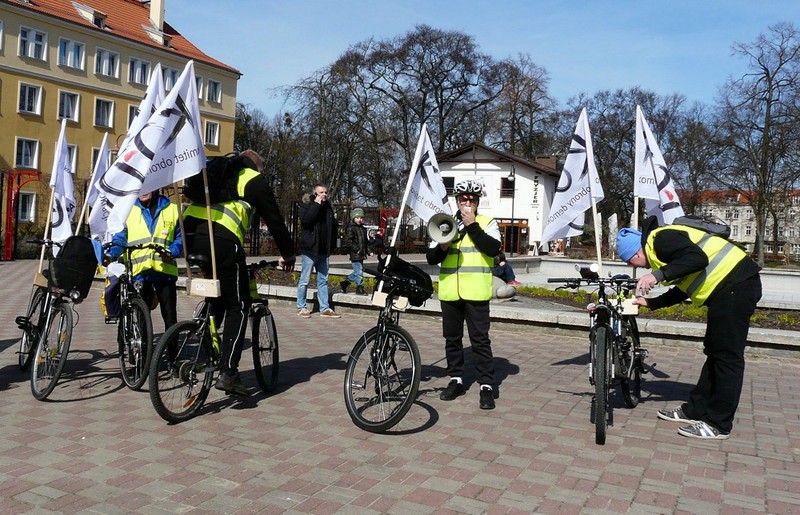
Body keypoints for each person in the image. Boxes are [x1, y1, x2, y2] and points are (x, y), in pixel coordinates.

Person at [617, 215, 762, 440]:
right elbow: (686, 284)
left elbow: (698, 259)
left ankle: (719, 424)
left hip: (736, 286)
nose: (631, 266)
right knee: (714, 352)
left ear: (636, 253)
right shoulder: (661, 249)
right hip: (729, 289)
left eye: (628, 261)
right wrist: (653, 303)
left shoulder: (661, 240)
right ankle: (695, 409)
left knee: (727, 358)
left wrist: (656, 276)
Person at [183, 150, 296, 396]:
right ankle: (229, 373)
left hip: (190, 235)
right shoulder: (252, 179)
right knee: (239, 304)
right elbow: (274, 219)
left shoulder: (218, 174)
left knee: (220, 293)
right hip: (221, 240)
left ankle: (205, 334)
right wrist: (288, 254)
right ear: (257, 166)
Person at [427, 179, 501, 410]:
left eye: (471, 199)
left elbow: (493, 248)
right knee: (452, 339)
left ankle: (486, 386)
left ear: (477, 201)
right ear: (457, 201)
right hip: (451, 292)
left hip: (476, 291)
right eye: (463, 199)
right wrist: (442, 246)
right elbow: (431, 258)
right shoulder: (445, 223)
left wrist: (472, 226)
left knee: (480, 341)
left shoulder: (487, 222)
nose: (467, 202)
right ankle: (456, 380)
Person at [107, 190, 181, 331]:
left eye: (148, 187)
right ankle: (144, 345)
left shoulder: (173, 209)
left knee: (170, 316)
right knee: (142, 317)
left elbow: (180, 237)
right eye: (141, 188)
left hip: (165, 271)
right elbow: (120, 238)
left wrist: (172, 251)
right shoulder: (129, 210)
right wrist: (112, 254)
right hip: (140, 272)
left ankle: (173, 346)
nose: (143, 191)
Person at [296, 182, 340, 318]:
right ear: (315, 194)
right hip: (310, 250)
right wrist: (316, 204)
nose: (324, 195)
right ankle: (301, 307)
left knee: (323, 280)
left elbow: (333, 227)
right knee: (304, 280)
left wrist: (331, 246)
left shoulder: (328, 208)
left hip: (323, 251)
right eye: (321, 192)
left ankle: (324, 308)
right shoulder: (307, 205)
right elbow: (306, 220)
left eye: (325, 192)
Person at [340, 208, 371, 295]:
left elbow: (365, 242)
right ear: (353, 218)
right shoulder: (351, 228)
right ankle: (359, 287)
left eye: (361, 218)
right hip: (355, 254)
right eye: (357, 218)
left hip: (361, 254)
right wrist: (357, 249)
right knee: (359, 271)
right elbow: (348, 242)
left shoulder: (363, 229)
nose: (359, 219)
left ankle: (345, 283)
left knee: (358, 271)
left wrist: (368, 251)